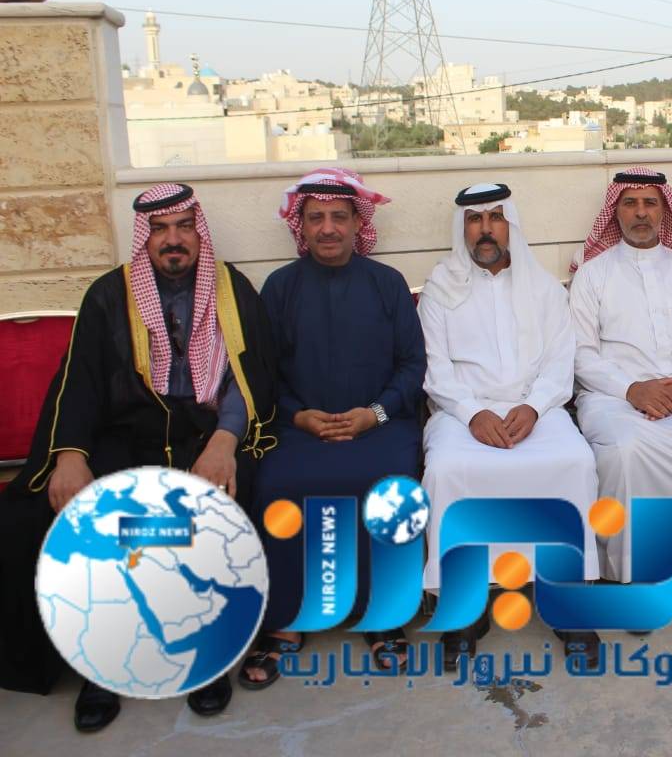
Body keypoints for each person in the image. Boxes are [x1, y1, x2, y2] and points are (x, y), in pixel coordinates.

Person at [0, 183, 275, 731]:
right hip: (125, 433)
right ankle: (102, 663)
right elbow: (78, 381)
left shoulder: (233, 290)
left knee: (211, 510)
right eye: (160, 229)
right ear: (143, 238)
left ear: (199, 231)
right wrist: (70, 454)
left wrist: (225, 442)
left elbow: (249, 380)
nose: (173, 239)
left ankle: (206, 657)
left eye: (184, 227)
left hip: (205, 434)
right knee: (69, 515)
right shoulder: (109, 295)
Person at [239, 168, 425, 690]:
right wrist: (297, 415)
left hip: (380, 424)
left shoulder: (387, 284)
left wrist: (375, 413)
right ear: (300, 226)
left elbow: (413, 365)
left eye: (339, 217)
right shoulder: (280, 287)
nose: (327, 228)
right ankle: (286, 618)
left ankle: (383, 614)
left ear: (357, 223)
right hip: (300, 426)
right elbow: (264, 373)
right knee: (276, 484)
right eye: (316, 217)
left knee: (388, 485)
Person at [420, 183, 601, 664]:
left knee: (575, 462)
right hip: (461, 414)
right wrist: (472, 414)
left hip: (535, 410)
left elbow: (561, 361)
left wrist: (535, 407)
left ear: (510, 225)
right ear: (461, 229)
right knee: (446, 471)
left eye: (495, 218)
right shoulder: (439, 289)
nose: (486, 229)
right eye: (475, 220)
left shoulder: (543, 288)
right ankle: (464, 603)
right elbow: (435, 369)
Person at [569, 167, 672, 627]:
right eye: (630, 203)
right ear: (614, 211)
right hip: (610, 396)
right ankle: (634, 576)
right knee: (626, 450)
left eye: (650, 203)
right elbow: (579, 352)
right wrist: (632, 390)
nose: (640, 213)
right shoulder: (592, 274)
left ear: (664, 211)